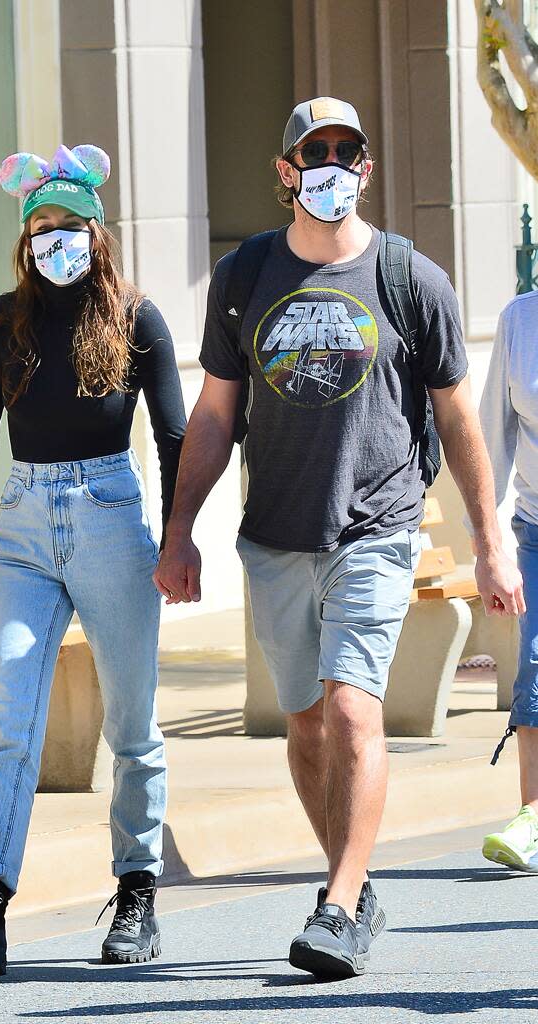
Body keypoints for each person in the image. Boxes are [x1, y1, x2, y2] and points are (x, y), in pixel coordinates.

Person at [154, 97, 524, 980]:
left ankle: (340, 901)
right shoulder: (244, 277)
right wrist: (179, 532)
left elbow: (458, 416)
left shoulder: (409, 277)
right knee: (308, 724)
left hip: (377, 526)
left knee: (355, 708)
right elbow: (213, 414)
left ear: (365, 167)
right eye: (312, 152)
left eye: (345, 151)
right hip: (275, 533)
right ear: (284, 173)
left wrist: (489, 535)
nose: (329, 165)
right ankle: (349, 886)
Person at [0, 144, 186, 978]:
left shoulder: (137, 318)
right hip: (26, 526)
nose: (54, 240)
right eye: (40, 228)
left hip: (112, 517)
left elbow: (175, 435)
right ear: (23, 241)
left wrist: (179, 539)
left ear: (96, 235)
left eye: (69, 226)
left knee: (132, 727)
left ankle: (138, 892)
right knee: (14, 715)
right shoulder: (3, 320)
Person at [472, 292, 538, 872]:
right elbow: (494, 432)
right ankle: (534, 817)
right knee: (535, 666)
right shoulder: (521, 319)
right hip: (536, 528)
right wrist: (487, 542)